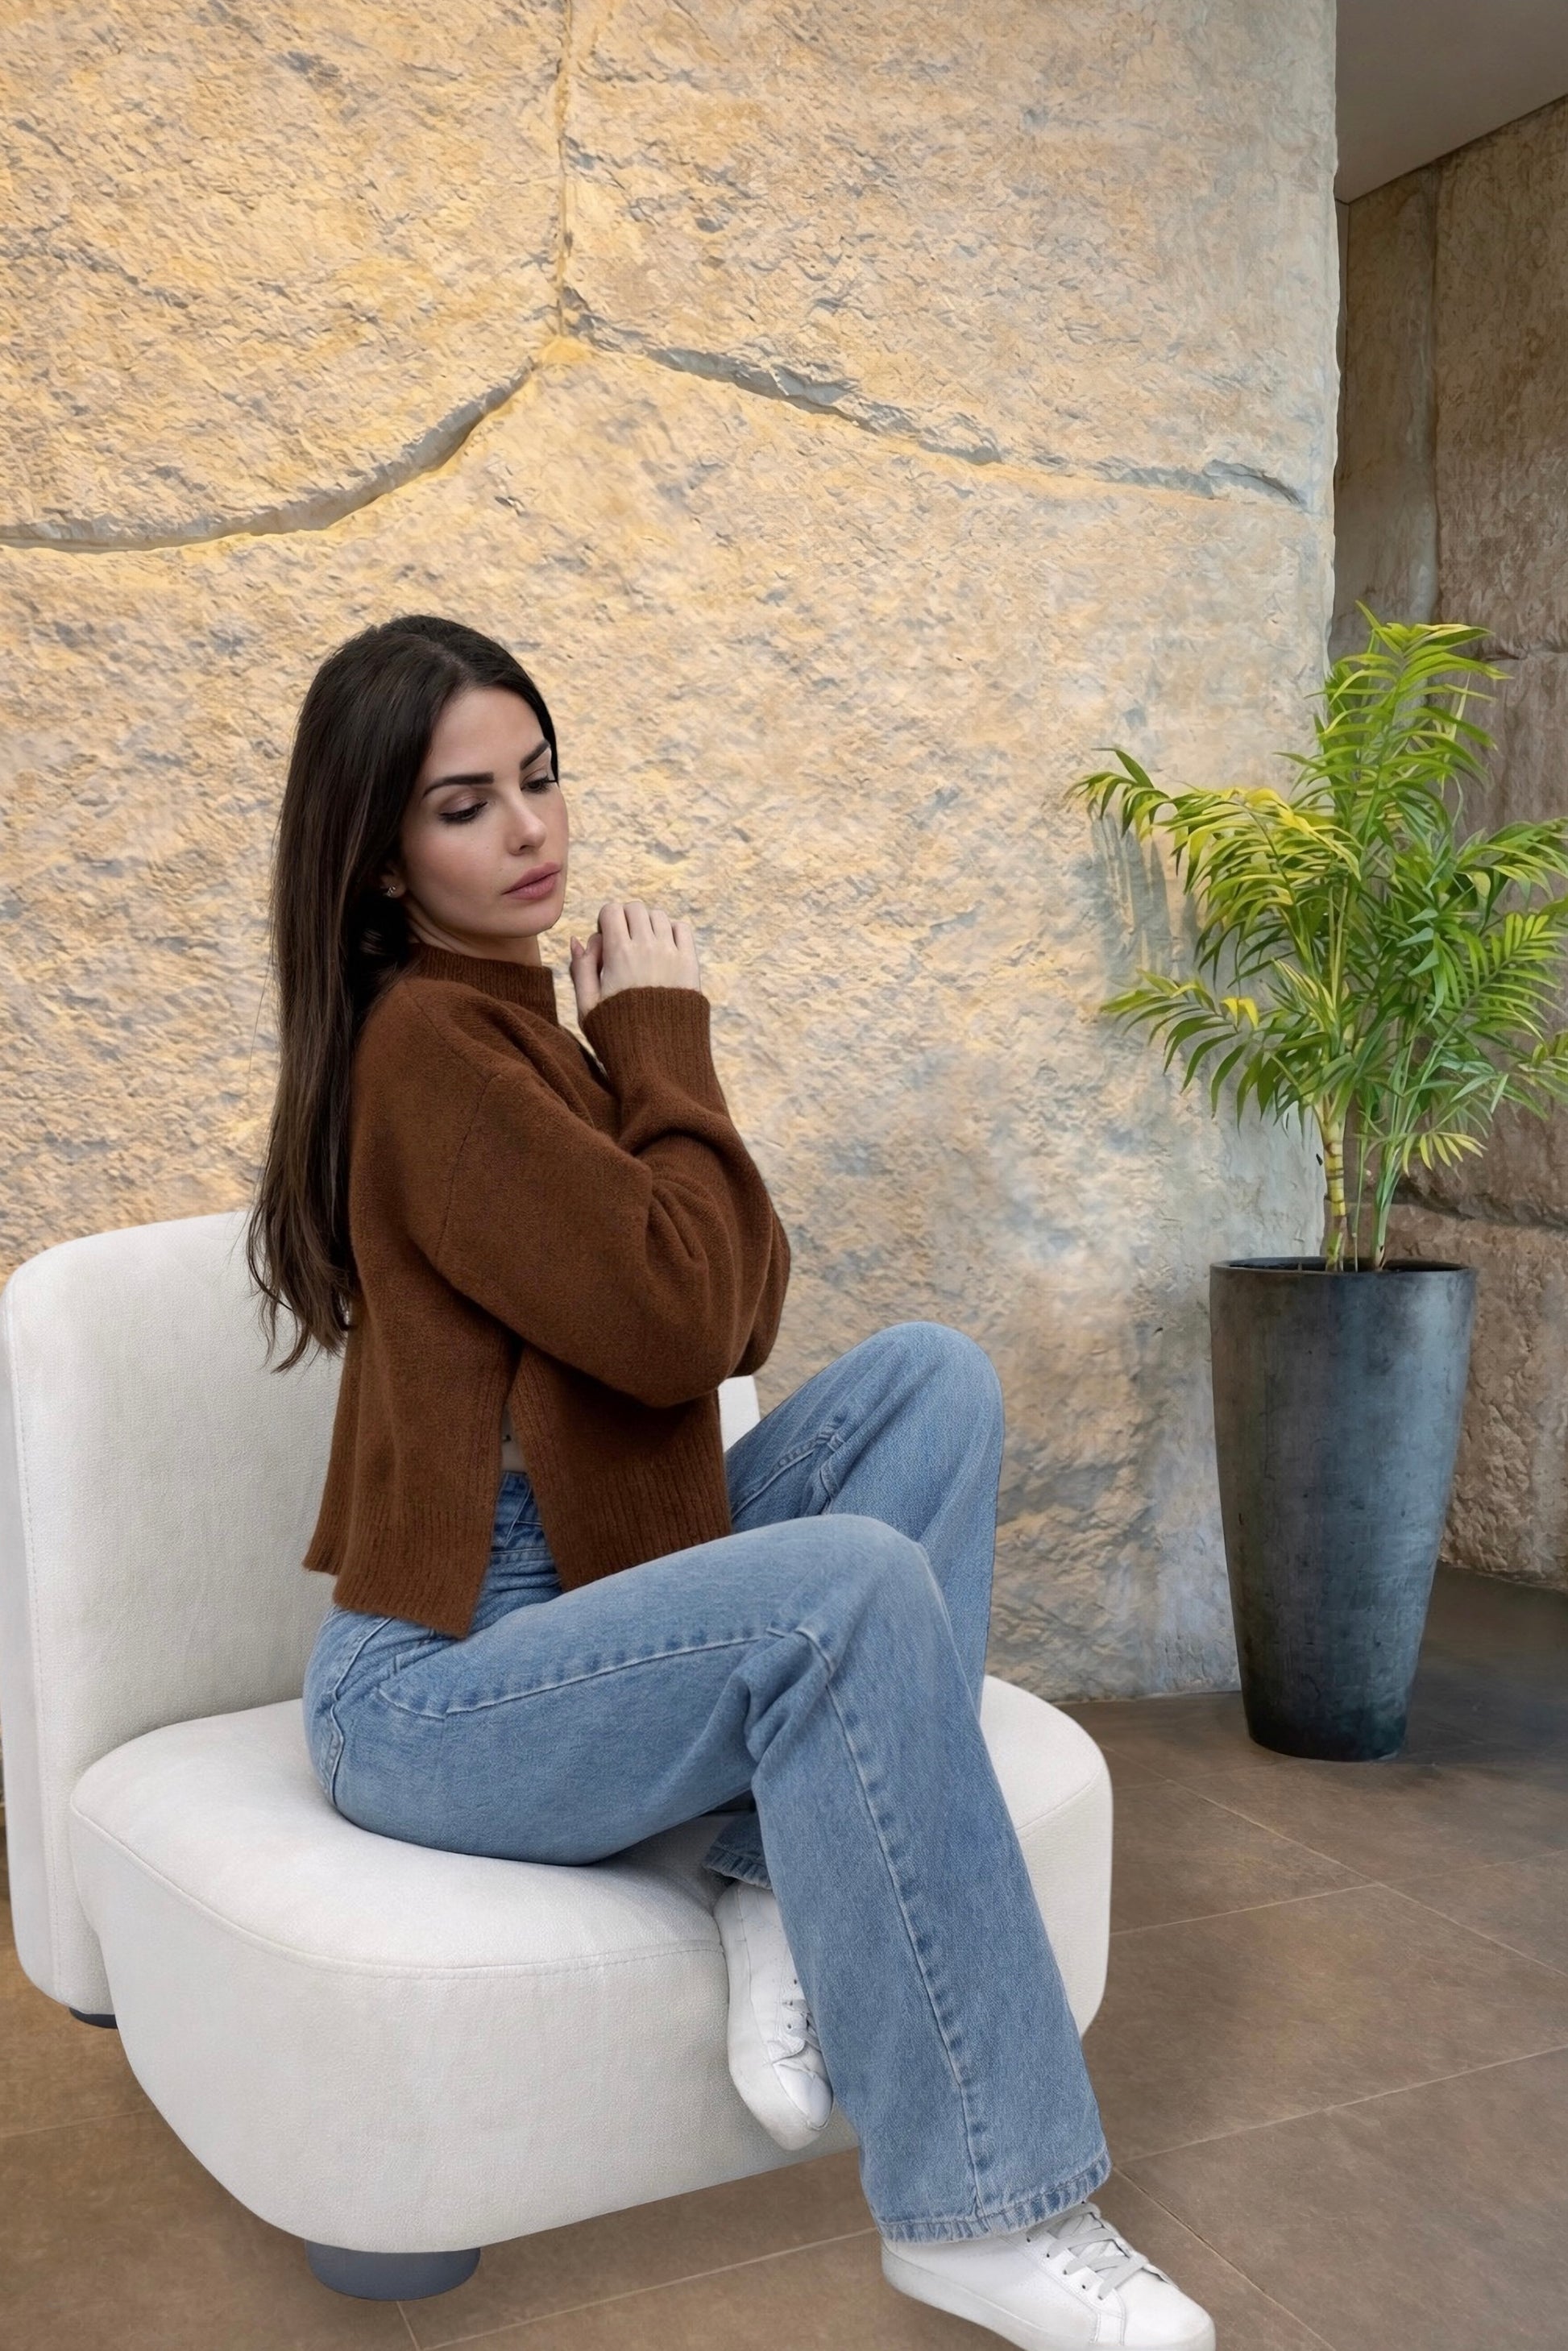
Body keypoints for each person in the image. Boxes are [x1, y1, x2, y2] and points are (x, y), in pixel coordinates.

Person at [245, 614, 1214, 2351]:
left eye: (538, 778)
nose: (532, 829)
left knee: (932, 1379)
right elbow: (685, 1316)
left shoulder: (523, 1029)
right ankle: (981, 2205)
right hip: (440, 1684)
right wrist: (667, 1042)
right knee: (843, 1587)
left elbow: (729, 1293)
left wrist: (635, 1060)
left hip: (598, 1600)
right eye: (466, 806)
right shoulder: (430, 1052)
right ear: (381, 862)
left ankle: (769, 1870)